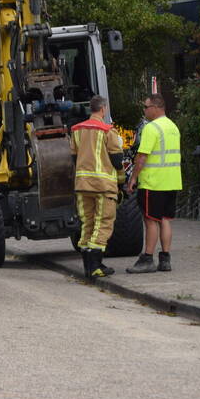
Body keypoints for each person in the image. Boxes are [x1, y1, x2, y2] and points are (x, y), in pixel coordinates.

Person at [125, 93, 182, 273]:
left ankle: (147, 259)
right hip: (171, 181)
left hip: (153, 182)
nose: (144, 110)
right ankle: (165, 259)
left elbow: (142, 157)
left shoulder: (151, 128)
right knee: (165, 219)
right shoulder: (173, 127)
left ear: (156, 108)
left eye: (146, 107)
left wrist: (133, 178)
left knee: (150, 221)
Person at [70, 95, 124, 279]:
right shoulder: (108, 131)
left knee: (88, 223)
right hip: (103, 186)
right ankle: (95, 266)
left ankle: (88, 266)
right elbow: (117, 160)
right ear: (103, 109)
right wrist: (121, 180)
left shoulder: (77, 130)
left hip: (82, 185)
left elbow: (74, 157)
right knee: (103, 223)